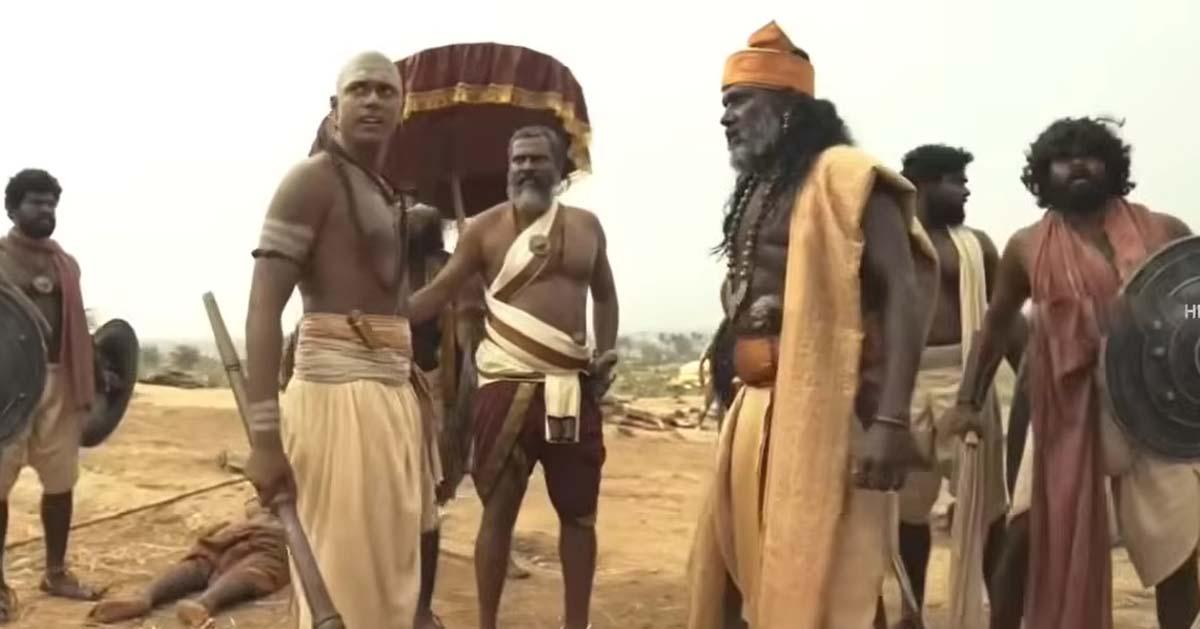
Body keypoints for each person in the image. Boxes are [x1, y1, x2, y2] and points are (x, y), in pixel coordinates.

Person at [686, 21, 940, 629]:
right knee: (747, 573)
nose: (725, 117)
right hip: (752, 408)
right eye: (724, 103)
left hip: (827, 413)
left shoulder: (848, 176)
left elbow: (902, 291)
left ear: (789, 106)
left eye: (739, 101)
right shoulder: (757, 190)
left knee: (836, 579)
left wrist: (890, 421)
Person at [944, 116, 1193, 629]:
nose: (1077, 165)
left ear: (1112, 166)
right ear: (1042, 173)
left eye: (1090, 155)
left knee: (1180, 548)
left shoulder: (1166, 231)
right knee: (1025, 535)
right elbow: (996, 325)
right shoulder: (1026, 246)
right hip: (1067, 402)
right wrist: (968, 401)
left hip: (1155, 402)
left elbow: (1195, 304)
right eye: (1063, 158)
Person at [406, 124, 620, 629]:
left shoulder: (587, 227)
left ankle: (577, 624)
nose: (525, 167)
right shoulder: (483, 230)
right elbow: (439, 293)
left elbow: (605, 295)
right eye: (517, 160)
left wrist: (607, 351)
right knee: (498, 512)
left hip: (572, 386)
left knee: (579, 514)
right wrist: (380, 314)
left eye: (536, 159)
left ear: (559, 168)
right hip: (505, 387)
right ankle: (487, 623)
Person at [242, 51, 426, 629]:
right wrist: (265, 441)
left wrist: (465, 272)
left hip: (393, 400)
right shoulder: (310, 181)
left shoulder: (388, 195)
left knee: (391, 581)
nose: (372, 100)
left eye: (385, 91)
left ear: (402, 107)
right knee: (344, 578)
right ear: (334, 106)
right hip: (333, 401)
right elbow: (263, 309)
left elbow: (397, 313)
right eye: (359, 89)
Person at [886, 144, 1022, 628]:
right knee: (906, 512)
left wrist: (1031, 382)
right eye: (956, 181)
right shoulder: (887, 242)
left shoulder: (977, 246)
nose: (966, 190)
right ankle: (911, 612)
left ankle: (1003, 616)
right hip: (899, 383)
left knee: (988, 511)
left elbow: (1004, 321)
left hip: (964, 377)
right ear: (923, 185)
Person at [0, 168, 104, 622]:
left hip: (61, 383)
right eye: (36, 202)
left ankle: (56, 572)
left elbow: (75, 324)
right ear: (12, 209)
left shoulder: (66, 264)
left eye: (51, 203)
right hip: (5, 387)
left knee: (61, 482)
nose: (46, 210)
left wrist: (97, 368)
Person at [86, 499, 289, 627]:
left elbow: (253, 504)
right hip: (281, 536)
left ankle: (146, 598)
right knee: (256, 570)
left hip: (247, 528)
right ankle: (203, 604)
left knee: (204, 560)